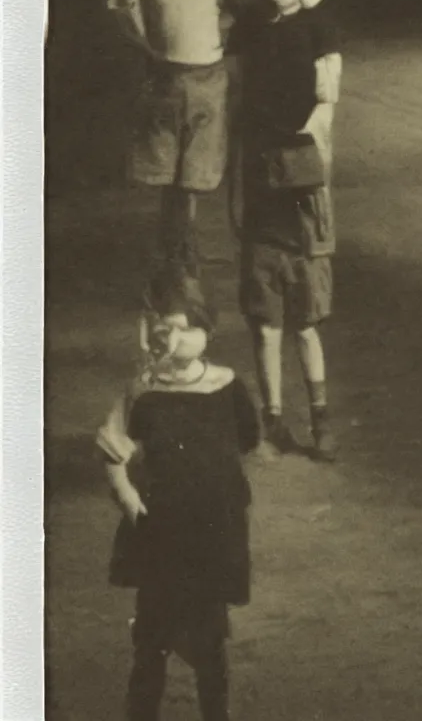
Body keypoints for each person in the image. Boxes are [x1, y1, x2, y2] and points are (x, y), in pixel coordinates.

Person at [96, 294, 260, 721]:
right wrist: (132, 504)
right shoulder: (145, 390)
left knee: (210, 644)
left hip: (214, 535)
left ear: (209, 333)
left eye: (188, 327)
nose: (178, 337)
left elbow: (247, 440)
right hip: (161, 536)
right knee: (151, 641)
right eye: (168, 328)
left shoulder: (228, 386)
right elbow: (112, 451)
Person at [226, 0, 341, 462]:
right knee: (265, 320)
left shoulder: (319, 26)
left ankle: (321, 419)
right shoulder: (251, 24)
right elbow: (234, 75)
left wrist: (306, 149)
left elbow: (326, 99)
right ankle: (273, 417)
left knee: (305, 322)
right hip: (259, 175)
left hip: (299, 176)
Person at [106, 0, 237, 308]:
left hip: (209, 78)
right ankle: (171, 260)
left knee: (195, 177)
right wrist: (150, 48)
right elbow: (123, 8)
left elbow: (249, 5)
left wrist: (224, 39)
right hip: (164, 78)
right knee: (166, 174)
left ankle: (184, 259)